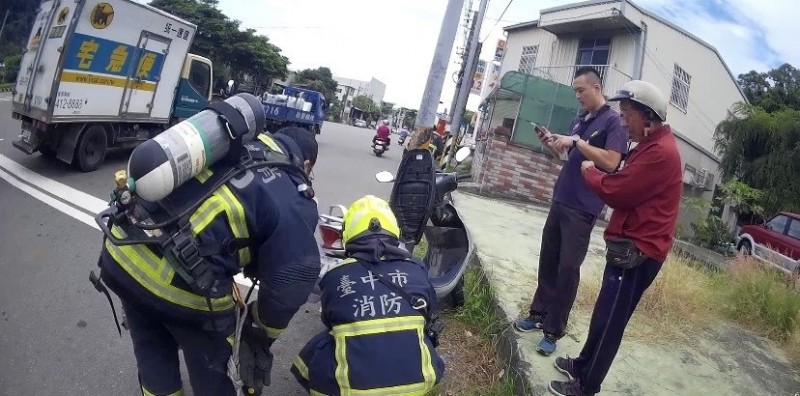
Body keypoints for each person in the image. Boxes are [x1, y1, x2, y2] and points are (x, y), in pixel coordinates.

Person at [95, 126, 322, 396]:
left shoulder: (228, 141)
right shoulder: (295, 196)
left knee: (152, 355)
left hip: (126, 252)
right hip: (186, 290)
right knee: (214, 373)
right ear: (306, 164)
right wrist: (260, 333)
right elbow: (291, 283)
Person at [547, 80, 683, 396]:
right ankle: (582, 365)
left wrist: (590, 172)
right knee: (604, 313)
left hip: (639, 252)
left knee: (611, 321)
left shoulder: (660, 152)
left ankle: (586, 385)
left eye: (627, 115)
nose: (622, 122)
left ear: (648, 116)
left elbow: (618, 191)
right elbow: (625, 179)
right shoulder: (650, 146)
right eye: (620, 115)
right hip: (630, 246)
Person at [513, 66, 628, 356]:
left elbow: (613, 161)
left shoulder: (614, 122)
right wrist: (554, 145)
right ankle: (538, 314)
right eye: (575, 90)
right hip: (561, 198)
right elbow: (568, 156)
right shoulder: (581, 119)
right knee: (549, 260)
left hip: (583, 206)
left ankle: (554, 330)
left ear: (596, 88)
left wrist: (577, 141)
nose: (577, 95)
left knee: (567, 268)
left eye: (581, 90)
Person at [291, 195, 445, 395]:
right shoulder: (416, 269)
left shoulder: (336, 275)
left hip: (352, 391)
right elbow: (431, 312)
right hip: (418, 386)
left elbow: (329, 319)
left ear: (348, 235)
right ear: (394, 232)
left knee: (319, 345)